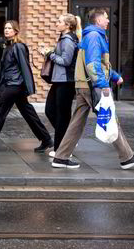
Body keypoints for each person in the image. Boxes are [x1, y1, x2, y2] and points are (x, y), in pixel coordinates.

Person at [52, 9, 134, 169]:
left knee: (77, 123)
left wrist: (114, 76)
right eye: (106, 18)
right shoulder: (94, 36)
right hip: (92, 86)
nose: (108, 21)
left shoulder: (92, 35)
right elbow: (93, 65)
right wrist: (104, 85)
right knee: (109, 118)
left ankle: (60, 157)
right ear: (98, 20)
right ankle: (126, 157)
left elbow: (99, 63)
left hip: (83, 85)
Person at [0, 20, 53, 153]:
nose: (6, 30)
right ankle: (46, 139)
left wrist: (28, 87)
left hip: (15, 85)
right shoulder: (8, 46)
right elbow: (3, 69)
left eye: (9, 28)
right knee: (28, 113)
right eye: (5, 28)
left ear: (16, 31)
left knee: (0, 110)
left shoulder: (19, 46)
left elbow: (24, 67)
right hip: (13, 84)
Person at [39, 14, 80, 158]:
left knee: (62, 116)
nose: (57, 23)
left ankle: (60, 150)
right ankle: (68, 140)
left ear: (67, 25)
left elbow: (66, 61)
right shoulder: (64, 38)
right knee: (50, 110)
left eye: (59, 21)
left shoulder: (68, 40)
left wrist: (49, 54)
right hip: (59, 81)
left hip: (66, 82)